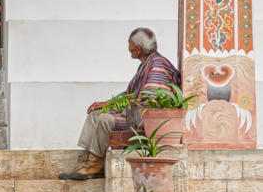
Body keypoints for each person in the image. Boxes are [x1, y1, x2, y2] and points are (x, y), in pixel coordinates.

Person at [58, 27, 181, 181]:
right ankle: (87, 158)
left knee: (105, 119)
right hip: (133, 113)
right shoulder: (147, 63)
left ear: (138, 48)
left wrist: (115, 111)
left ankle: (94, 164)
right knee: (95, 113)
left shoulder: (157, 66)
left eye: (129, 44)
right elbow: (130, 95)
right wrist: (106, 104)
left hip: (144, 122)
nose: (128, 47)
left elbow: (148, 104)